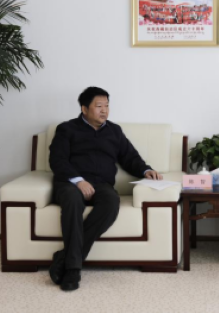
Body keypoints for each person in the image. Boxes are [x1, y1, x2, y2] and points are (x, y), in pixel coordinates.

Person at [48, 87, 163, 292]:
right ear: (84, 109)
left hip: (101, 185)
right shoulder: (66, 129)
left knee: (111, 202)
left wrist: (146, 170)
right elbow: (57, 160)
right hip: (71, 183)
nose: (104, 111)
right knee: (72, 201)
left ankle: (64, 258)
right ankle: (73, 269)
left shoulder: (114, 131)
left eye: (107, 106)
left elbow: (129, 157)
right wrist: (79, 181)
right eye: (99, 106)